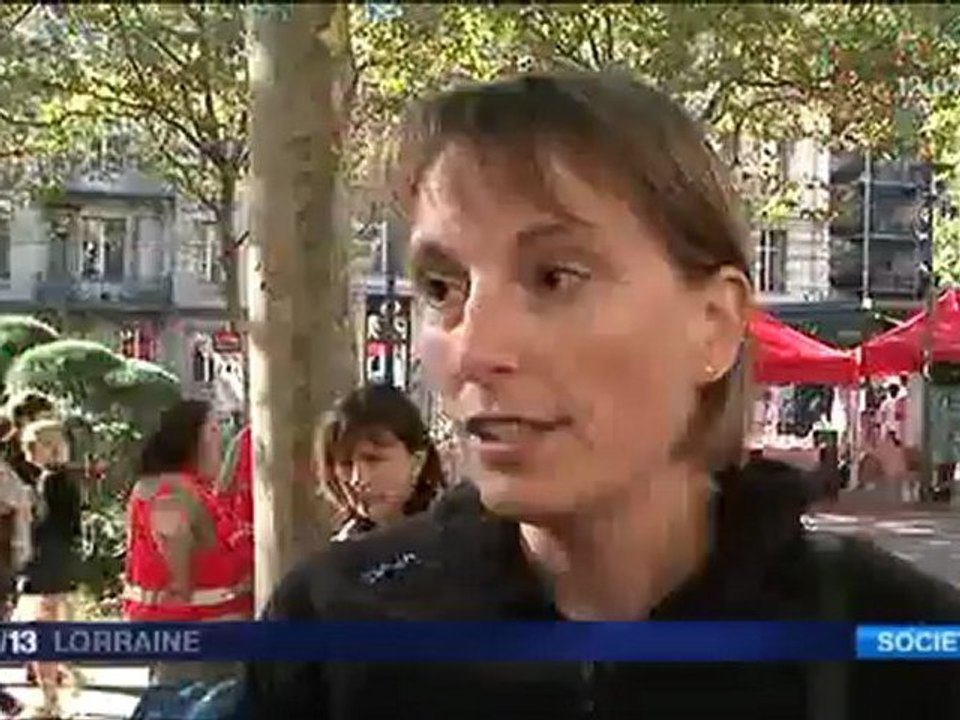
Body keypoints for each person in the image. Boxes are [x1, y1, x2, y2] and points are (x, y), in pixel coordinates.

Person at [245, 71, 960, 719]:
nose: (473, 348)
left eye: (555, 277)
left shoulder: (902, 650)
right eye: (442, 288)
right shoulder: (333, 630)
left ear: (712, 326)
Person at [123, 400, 253, 687]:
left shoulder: (184, 487)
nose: (221, 437)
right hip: (196, 635)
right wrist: (181, 580)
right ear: (192, 437)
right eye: (214, 428)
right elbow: (171, 534)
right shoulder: (172, 491)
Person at [13, 419, 82, 719]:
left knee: (42, 630)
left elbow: (47, 524)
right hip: (61, 561)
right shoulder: (65, 479)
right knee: (51, 626)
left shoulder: (51, 481)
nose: (27, 453)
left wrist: (26, 513)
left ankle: (50, 699)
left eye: (31, 446)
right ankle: (60, 685)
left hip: (45, 563)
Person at [317, 384, 446, 540]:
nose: (358, 479)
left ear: (417, 461)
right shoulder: (341, 554)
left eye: (373, 459)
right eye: (346, 464)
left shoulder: (458, 538)